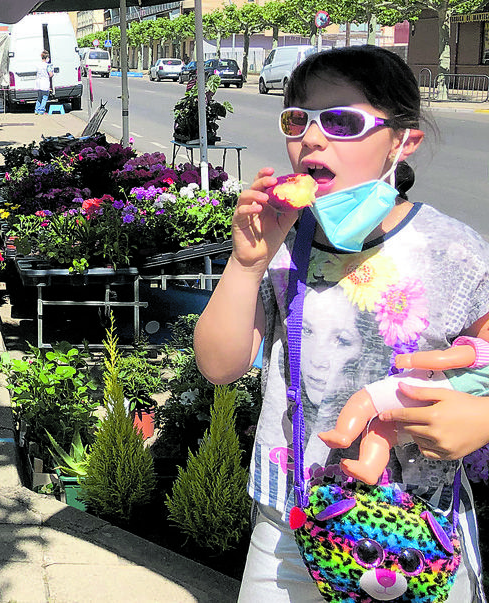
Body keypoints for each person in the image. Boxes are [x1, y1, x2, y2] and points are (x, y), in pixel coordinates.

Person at [193, 45, 489, 601]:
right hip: (291, 525)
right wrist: (246, 263)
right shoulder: (281, 241)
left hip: (417, 534)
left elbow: (485, 364)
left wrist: (484, 418)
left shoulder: (457, 253)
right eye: (297, 118)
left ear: (402, 142)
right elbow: (219, 365)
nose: (310, 137)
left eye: (342, 121)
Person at [34, 50, 54, 115]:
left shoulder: (38, 65)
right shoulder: (47, 66)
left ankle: (36, 110)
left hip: (38, 82)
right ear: (47, 58)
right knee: (45, 97)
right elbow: (50, 74)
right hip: (45, 82)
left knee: (39, 97)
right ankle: (41, 110)